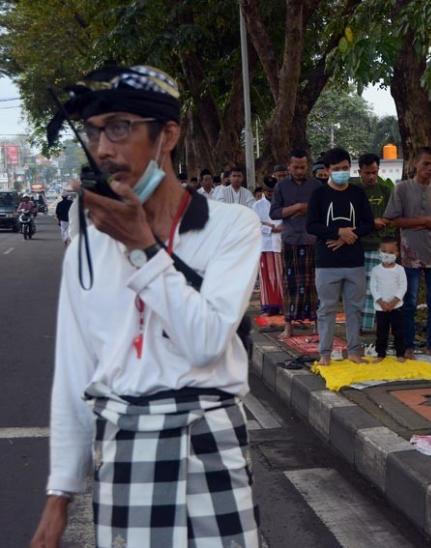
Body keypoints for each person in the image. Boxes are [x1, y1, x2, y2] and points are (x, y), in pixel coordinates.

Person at [32, 65, 260, 548]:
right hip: (124, 448)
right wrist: (59, 497)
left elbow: (203, 342)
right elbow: (75, 373)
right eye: (94, 133)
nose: (104, 149)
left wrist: (143, 248)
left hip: (210, 444)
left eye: (120, 128)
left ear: (168, 135)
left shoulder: (231, 226)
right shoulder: (85, 250)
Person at [306, 147, 374, 364]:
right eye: (337, 169)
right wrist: (337, 231)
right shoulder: (318, 195)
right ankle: (324, 353)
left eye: (346, 168)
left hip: (354, 261)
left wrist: (347, 235)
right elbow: (312, 225)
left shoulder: (357, 193)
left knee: (354, 309)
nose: (342, 172)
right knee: (327, 309)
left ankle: (354, 351)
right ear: (327, 170)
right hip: (327, 263)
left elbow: (368, 223)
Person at [383, 147, 431, 358]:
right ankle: (407, 346)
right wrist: (422, 222)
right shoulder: (401, 189)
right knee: (409, 302)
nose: (430, 168)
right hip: (410, 256)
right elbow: (392, 220)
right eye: (426, 164)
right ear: (415, 164)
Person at [270, 149, 323, 338]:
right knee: (290, 283)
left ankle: (317, 324)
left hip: (312, 240)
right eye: (296, 167)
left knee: (315, 284)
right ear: (289, 166)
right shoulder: (281, 187)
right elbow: (274, 213)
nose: (299, 170)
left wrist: (308, 208)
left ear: (307, 166)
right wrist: (295, 208)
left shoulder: (316, 185)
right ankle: (289, 325)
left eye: (302, 167)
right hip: (291, 239)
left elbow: (323, 211)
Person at [356, 152, 394, 332]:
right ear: (359, 172)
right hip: (356, 245)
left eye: (374, 172)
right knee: (358, 288)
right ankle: (360, 325)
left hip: (378, 246)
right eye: (367, 173)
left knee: (377, 288)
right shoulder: (353, 192)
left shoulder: (386, 190)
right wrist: (372, 223)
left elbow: (392, 219)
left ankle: (373, 326)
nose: (371, 176)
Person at [370, 237, 407, 361]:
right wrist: (381, 302)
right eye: (384, 251)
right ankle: (380, 354)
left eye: (391, 252)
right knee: (381, 332)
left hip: (396, 307)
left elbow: (403, 287)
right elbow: (373, 288)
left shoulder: (400, 270)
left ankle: (400, 354)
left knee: (399, 331)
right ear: (379, 251)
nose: (387, 255)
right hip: (381, 308)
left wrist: (393, 302)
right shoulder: (375, 270)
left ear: (397, 253)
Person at [253, 186, 284, 316]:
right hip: (265, 245)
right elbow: (254, 224)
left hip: (281, 243)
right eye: (268, 191)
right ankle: (268, 307)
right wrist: (269, 229)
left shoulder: (283, 202)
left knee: (282, 276)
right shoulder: (257, 205)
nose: (271, 193)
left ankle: (284, 305)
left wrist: (281, 227)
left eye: (273, 191)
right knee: (267, 277)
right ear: (264, 191)